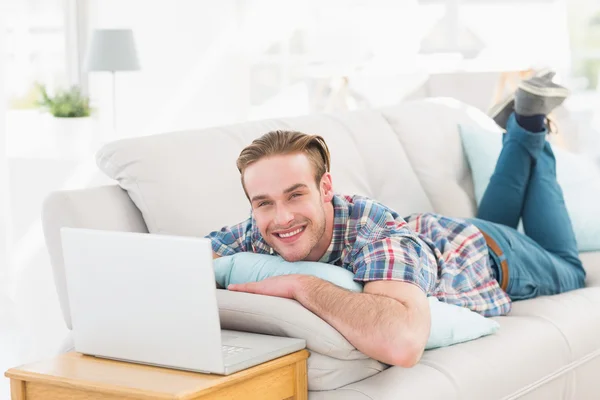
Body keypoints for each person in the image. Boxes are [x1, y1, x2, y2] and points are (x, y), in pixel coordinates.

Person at [205, 71, 586, 368]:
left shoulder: (370, 227)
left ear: (325, 188)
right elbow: (188, 261)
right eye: (264, 203)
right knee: (494, 216)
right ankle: (519, 130)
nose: (282, 216)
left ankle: (530, 125)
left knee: (570, 269)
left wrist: (301, 285)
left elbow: (402, 343)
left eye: (295, 194)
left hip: (491, 254)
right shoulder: (264, 227)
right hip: (442, 235)